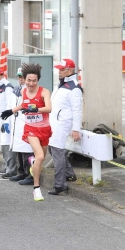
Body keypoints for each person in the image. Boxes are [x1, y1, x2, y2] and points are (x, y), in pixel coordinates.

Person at [1, 63, 52, 201]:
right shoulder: (24, 91)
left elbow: (49, 108)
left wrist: (37, 109)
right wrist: (11, 111)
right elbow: (24, 104)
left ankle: (32, 162)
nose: (31, 83)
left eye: (34, 80)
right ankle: (36, 189)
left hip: (44, 129)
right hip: (30, 129)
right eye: (28, 80)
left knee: (39, 161)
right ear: (25, 79)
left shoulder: (44, 91)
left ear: (38, 80)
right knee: (40, 157)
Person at [48, 59, 82, 195]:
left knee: (57, 151)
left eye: (62, 69)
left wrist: (75, 129)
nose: (60, 72)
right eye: (59, 69)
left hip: (62, 124)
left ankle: (60, 184)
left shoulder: (74, 88)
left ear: (70, 71)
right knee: (52, 149)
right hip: (55, 122)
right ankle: (69, 174)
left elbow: (77, 110)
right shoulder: (61, 84)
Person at [8, 68, 35, 186]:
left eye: (22, 77)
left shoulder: (31, 91)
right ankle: (22, 172)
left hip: (26, 123)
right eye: (19, 76)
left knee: (27, 151)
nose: (20, 79)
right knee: (19, 149)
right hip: (17, 123)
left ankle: (30, 175)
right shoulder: (17, 89)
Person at [0, 67, 16, 178]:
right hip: (3, 120)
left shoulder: (7, 87)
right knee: (4, 144)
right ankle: (6, 167)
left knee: (7, 144)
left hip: (8, 120)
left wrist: (6, 121)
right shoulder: (0, 87)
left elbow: (9, 105)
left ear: (2, 75)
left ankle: (10, 169)